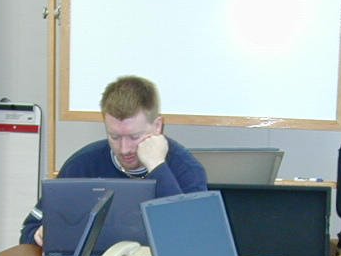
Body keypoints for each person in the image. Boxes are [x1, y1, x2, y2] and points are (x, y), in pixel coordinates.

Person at [20, 75, 208, 245]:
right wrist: (39, 234)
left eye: (134, 137)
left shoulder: (186, 169)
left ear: (157, 125)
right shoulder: (82, 165)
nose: (124, 149)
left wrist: (157, 167)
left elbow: (195, 239)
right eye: (115, 137)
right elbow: (29, 231)